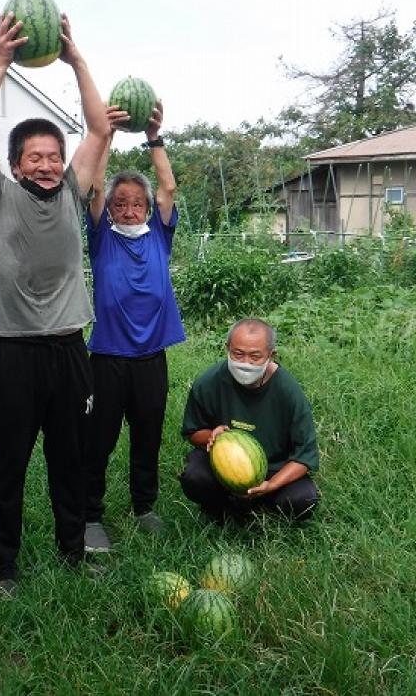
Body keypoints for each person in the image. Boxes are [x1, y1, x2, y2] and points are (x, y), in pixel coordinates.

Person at [0, 11, 111, 597]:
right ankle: (4, 566)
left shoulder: (74, 193)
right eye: (36, 158)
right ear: (18, 162)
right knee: (10, 464)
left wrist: (76, 61)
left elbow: (98, 131)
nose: (47, 165)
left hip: (71, 347)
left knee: (69, 458)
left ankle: (72, 549)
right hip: (15, 354)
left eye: (54, 156)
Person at [82, 102, 186, 552]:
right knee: (98, 442)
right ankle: (89, 516)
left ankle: (144, 507)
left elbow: (168, 185)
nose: (127, 209)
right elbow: (91, 188)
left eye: (136, 203)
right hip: (107, 359)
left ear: (147, 208)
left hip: (150, 359)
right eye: (120, 203)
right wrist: (104, 135)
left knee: (148, 437)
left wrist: (154, 137)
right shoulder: (102, 237)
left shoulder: (159, 236)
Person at [179, 318, 320, 523]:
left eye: (255, 356)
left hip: (273, 469)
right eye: (238, 354)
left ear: (271, 355)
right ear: (227, 348)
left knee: (303, 499)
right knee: (195, 477)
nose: (245, 362)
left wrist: (271, 485)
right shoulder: (209, 382)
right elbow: (193, 432)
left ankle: (261, 504)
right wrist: (212, 436)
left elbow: (304, 457)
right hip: (224, 467)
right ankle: (221, 508)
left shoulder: (288, 392)